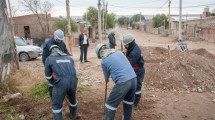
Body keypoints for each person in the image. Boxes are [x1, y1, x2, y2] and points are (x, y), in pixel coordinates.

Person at [95, 43, 137, 120]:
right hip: (134, 79)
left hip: (123, 82)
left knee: (109, 105)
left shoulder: (104, 61)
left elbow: (106, 78)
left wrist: (107, 78)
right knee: (128, 103)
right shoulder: (118, 52)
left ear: (100, 54)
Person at [45, 45, 80, 120]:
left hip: (61, 82)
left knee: (56, 105)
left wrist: (54, 83)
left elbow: (48, 76)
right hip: (74, 80)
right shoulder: (69, 58)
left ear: (50, 51)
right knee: (72, 100)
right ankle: (73, 115)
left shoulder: (49, 59)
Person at [122, 34, 145, 107]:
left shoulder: (135, 52)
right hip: (134, 69)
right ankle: (130, 98)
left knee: (137, 87)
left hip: (138, 71)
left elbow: (129, 65)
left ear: (131, 43)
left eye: (126, 45)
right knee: (131, 85)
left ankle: (135, 103)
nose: (125, 46)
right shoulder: (132, 47)